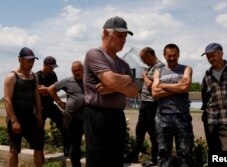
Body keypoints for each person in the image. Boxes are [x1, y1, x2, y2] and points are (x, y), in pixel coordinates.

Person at [83, 16, 139, 167]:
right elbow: (112, 80)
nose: (123, 40)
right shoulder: (94, 55)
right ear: (106, 34)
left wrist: (116, 84)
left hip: (117, 116)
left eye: (125, 37)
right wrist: (126, 80)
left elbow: (135, 91)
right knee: (98, 160)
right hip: (97, 116)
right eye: (119, 36)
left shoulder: (123, 63)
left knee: (116, 159)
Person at [152, 43, 194, 167]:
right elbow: (154, 92)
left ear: (178, 55)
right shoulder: (158, 71)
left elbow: (185, 87)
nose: (172, 58)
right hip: (162, 116)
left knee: (185, 151)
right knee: (163, 152)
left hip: (182, 115)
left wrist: (163, 85)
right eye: (169, 55)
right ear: (164, 56)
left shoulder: (186, 69)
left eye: (174, 55)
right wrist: (177, 86)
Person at [4, 47, 44, 167]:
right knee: (14, 149)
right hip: (16, 117)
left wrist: (39, 115)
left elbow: (36, 96)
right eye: (28, 61)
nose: (31, 63)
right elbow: (7, 99)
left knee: (38, 146)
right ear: (20, 60)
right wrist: (14, 121)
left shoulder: (34, 77)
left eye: (32, 61)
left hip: (30, 117)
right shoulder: (12, 77)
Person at [125, 47, 164, 166]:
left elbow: (151, 85)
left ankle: (155, 158)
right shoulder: (151, 67)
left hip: (152, 104)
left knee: (153, 132)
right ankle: (134, 156)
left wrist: (145, 76)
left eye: (143, 58)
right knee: (140, 131)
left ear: (149, 55)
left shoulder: (160, 67)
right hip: (145, 103)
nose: (142, 62)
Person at [47, 61, 85, 167]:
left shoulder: (89, 80)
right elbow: (51, 89)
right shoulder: (67, 81)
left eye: (78, 70)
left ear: (84, 69)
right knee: (74, 145)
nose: (76, 72)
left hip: (88, 118)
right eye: (74, 70)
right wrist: (59, 102)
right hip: (72, 118)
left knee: (93, 144)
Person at [36, 56, 69, 156]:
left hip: (50, 105)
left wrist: (46, 90)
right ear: (45, 65)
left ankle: (67, 149)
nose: (53, 69)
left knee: (64, 124)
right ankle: (39, 151)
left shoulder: (53, 74)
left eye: (54, 67)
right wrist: (50, 90)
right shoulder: (37, 76)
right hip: (40, 107)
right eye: (51, 67)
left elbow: (57, 89)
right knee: (39, 129)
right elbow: (39, 91)